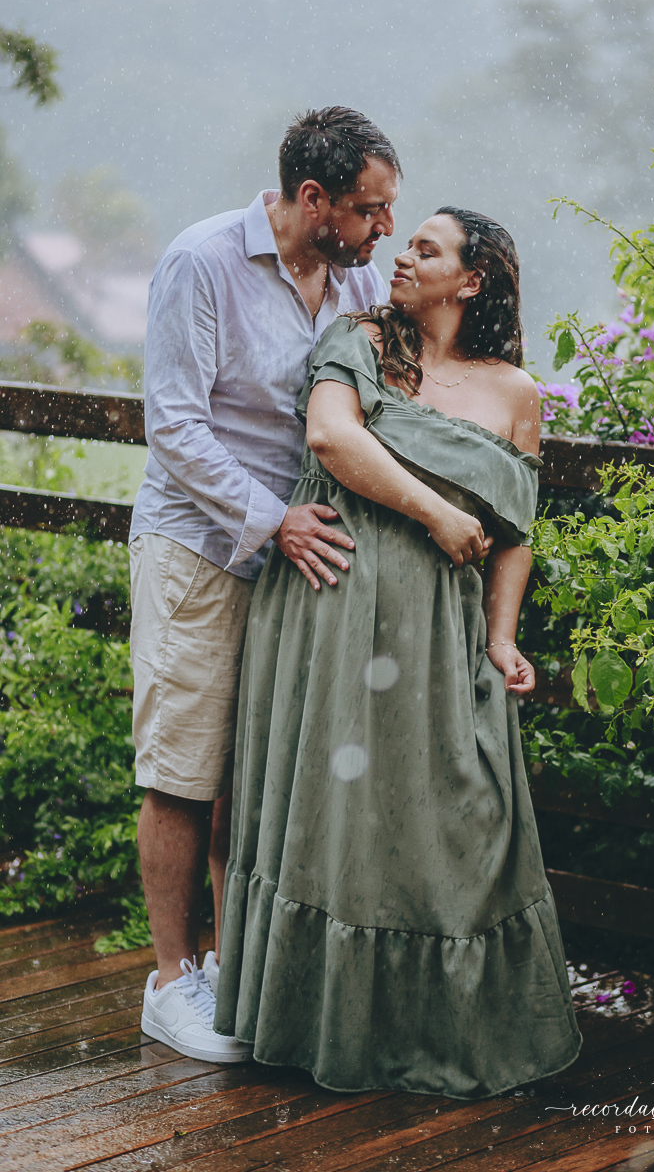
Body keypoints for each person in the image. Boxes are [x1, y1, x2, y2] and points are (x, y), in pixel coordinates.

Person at [214, 206, 582, 1096]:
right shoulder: (361, 340)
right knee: (335, 820)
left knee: (446, 813)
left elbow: (515, 532)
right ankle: (315, 1023)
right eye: (402, 241)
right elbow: (332, 439)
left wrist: (500, 638)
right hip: (332, 613)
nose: (401, 257)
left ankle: (439, 1027)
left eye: (426, 248)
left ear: (473, 279)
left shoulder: (514, 393)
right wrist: (436, 511)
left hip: (440, 633)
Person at [129, 107, 401, 1063]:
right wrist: (269, 518)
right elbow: (174, 425)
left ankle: (236, 969)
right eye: (370, 210)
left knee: (254, 776)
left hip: (300, 558)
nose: (384, 231)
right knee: (182, 774)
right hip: (201, 550)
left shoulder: (356, 277)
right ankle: (171, 982)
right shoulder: (200, 263)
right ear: (313, 198)